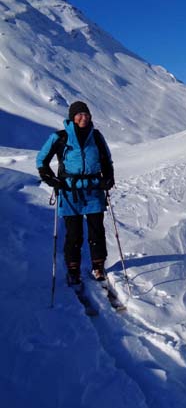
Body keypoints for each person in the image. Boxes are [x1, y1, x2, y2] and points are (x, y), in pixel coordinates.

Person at [36, 101, 114, 285]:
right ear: (72, 117)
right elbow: (41, 160)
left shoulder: (96, 136)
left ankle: (98, 266)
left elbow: (106, 160)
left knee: (97, 231)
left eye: (86, 114)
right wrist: (50, 178)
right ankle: (73, 269)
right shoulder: (60, 137)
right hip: (69, 191)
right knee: (74, 234)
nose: (83, 117)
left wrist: (108, 178)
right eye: (79, 114)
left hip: (94, 189)